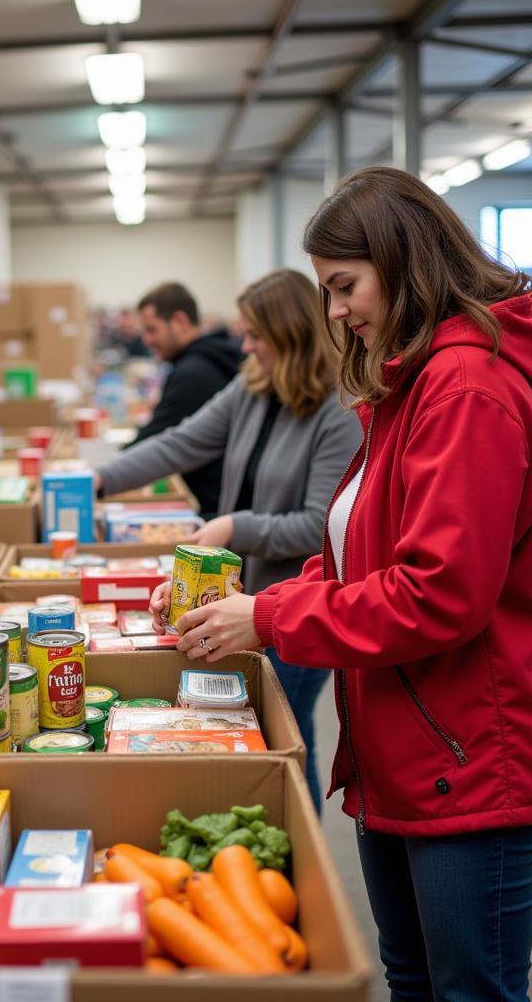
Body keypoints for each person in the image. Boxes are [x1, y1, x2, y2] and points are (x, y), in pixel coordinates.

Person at [158, 166, 532, 1000]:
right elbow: (360, 548)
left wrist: (275, 614)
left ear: (406, 263)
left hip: (468, 756)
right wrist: (234, 599)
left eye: (344, 286)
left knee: (468, 986)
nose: (335, 312)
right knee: (410, 975)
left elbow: (441, 591)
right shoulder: (407, 383)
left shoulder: (466, 389)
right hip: (398, 747)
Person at [95, 269, 360, 810]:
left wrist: (235, 525)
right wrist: (98, 480)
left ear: (291, 336)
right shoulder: (251, 388)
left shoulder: (338, 411)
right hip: (238, 598)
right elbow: (180, 443)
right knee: (250, 727)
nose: (246, 346)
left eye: (256, 335)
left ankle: (297, 839)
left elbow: (322, 524)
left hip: (297, 604)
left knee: (287, 738)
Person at [130, 282, 242, 517]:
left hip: (209, 508)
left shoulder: (193, 372)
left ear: (179, 321)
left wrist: (101, 476)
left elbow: (156, 440)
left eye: (152, 330)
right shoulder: (208, 358)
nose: (147, 340)